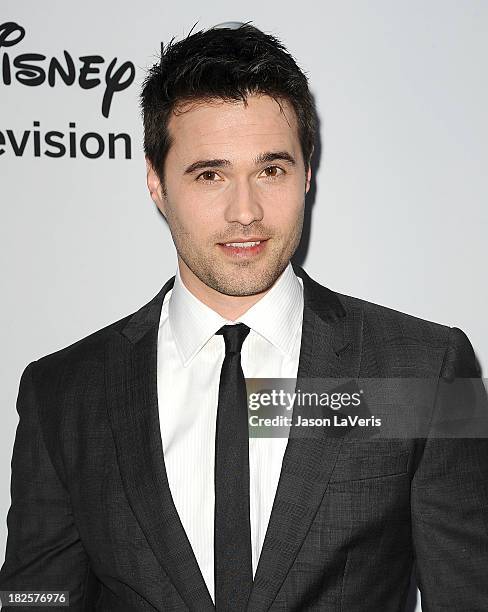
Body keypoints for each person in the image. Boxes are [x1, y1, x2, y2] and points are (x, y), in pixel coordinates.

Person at [0, 22, 487, 612]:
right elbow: (36, 599)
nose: (245, 212)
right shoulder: (64, 393)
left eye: (271, 170)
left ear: (307, 175)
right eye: (210, 175)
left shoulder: (424, 373)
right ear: (156, 182)